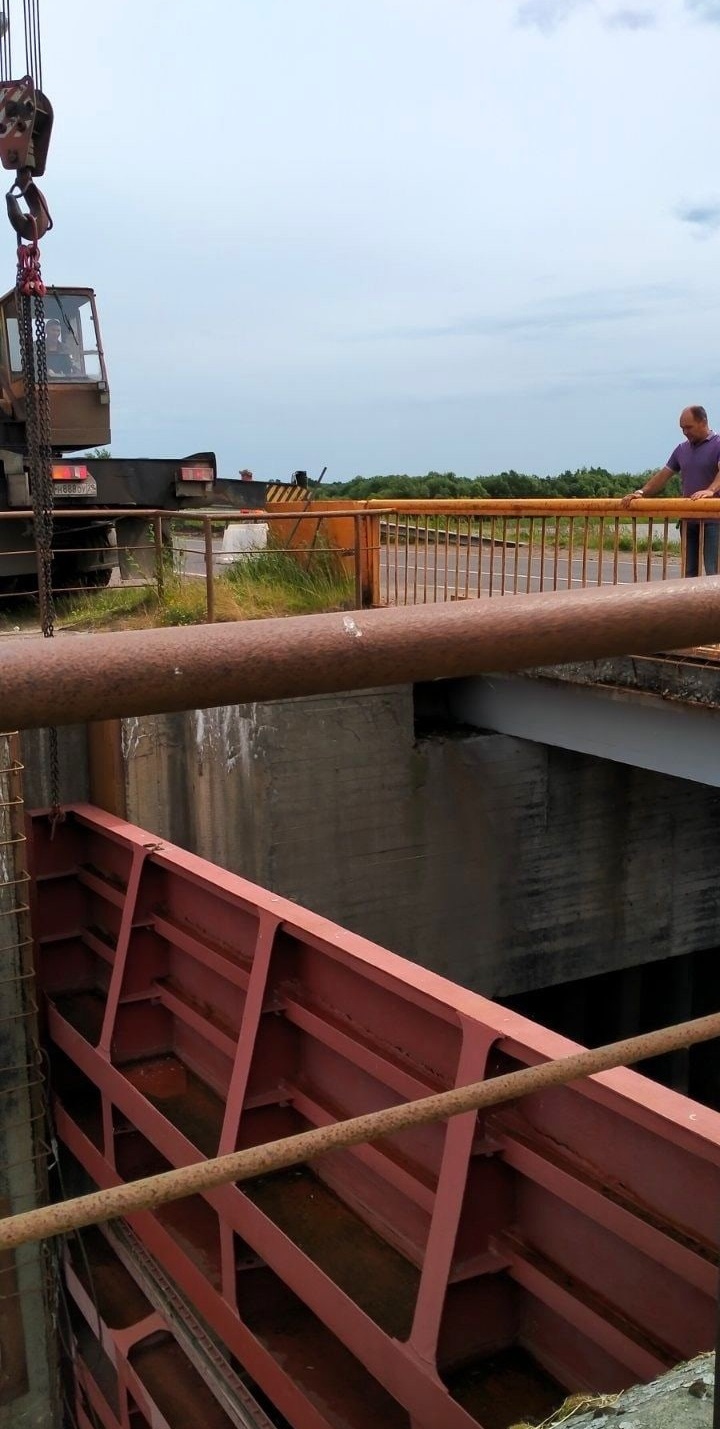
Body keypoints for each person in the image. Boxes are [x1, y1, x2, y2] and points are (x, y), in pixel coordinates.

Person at [622, 406, 720, 576]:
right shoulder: (681, 449)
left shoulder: (718, 444)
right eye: (682, 428)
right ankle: (692, 603)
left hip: (714, 520)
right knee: (689, 572)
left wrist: (710, 490)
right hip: (688, 519)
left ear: (703, 422)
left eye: (688, 427)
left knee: (714, 571)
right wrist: (641, 493)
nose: (684, 432)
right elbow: (663, 475)